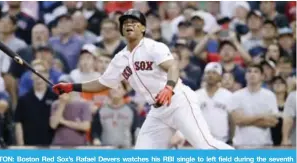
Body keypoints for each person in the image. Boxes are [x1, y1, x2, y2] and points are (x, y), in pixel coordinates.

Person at [52, 9, 234, 149]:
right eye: (125, 23)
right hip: (157, 111)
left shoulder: (153, 47)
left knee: (205, 145)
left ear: (143, 28)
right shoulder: (120, 58)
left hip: (178, 100)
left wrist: (169, 88)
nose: (129, 25)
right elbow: (102, 83)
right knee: (143, 155)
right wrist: (71, 87)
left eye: (134, 22)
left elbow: (172, 66)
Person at [229, 64, 279, 146]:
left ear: (262, 76)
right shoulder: (236, 96)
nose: (252, 74)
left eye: (256, 72)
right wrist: (262, 116)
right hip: (241, 144)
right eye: (249, 71)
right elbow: (237, 120)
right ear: (245, 76)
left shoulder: (270, 95)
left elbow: (272, 122)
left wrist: (245, 120)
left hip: (264, 143)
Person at [15, 60, 57, 145]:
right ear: (31, 76)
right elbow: (18, 123)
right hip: (29, 147)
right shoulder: (23, 99)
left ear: (48, 75)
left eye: (42, 72)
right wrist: (21, 146)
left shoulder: (55, 98)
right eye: (35, 72)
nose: (39, 76)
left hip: (51, 146)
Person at [196, 62, 233, 143]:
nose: (210, 75)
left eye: (214, 73)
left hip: (222, 140)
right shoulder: (196, 95)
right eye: (208, 72)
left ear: (220, 77)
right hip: (200, 141)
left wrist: (231, 139)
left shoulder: (228, 95)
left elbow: (232, 120)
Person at [91, 84, 139, 148]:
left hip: (126, 149)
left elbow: (135, 130)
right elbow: (95, 131)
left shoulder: (132, 110)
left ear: (124, 91)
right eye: (112, 87)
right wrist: (96, 140)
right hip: (106, 150)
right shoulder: (101, 111)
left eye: (119, 88)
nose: (115, 90)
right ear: (108, 91)